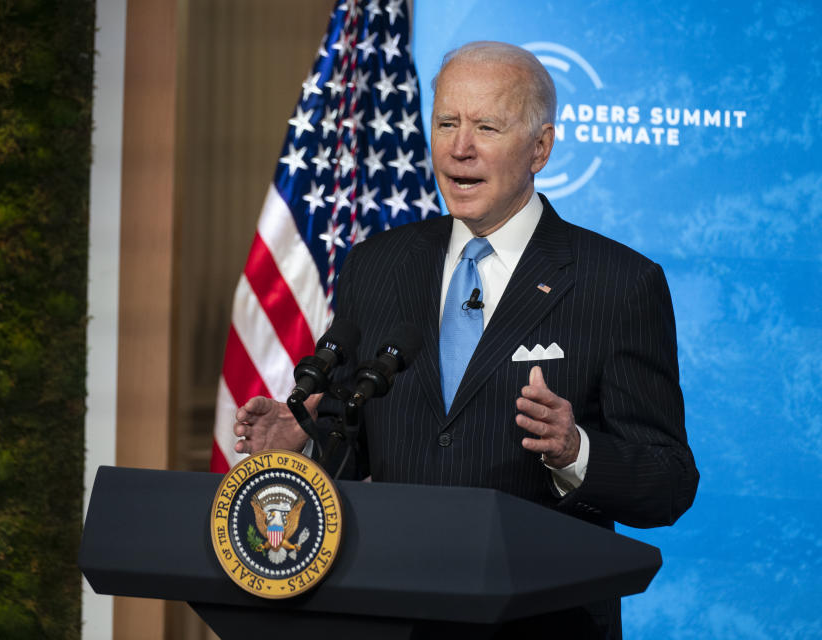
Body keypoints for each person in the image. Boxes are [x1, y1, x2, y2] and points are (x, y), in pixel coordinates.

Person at [233, 41, 698, 638]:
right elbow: (361, 449)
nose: (460, 147)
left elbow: (669, 480)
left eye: (486, 126)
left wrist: (574, 449)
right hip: (390, 614)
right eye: (447, 122)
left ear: (540, 148)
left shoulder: (618, 283)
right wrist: (304, 439)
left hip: (544, 624)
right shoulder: (377, 266)